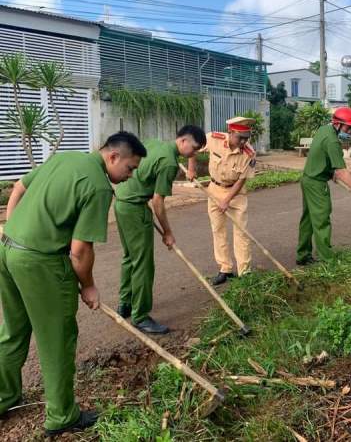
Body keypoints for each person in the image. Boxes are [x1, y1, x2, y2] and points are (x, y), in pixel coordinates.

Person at [0, 132, 146, 437]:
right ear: (113, 157)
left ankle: (5, 397)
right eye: (130, 168)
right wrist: (89, 286)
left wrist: (12, 228)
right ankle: (62, 415)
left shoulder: (67, 157)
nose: (130, 175)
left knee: (13, 331)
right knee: (57, 339)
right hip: (40, 262)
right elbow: (80, 251)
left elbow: (19, 186)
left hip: (7, 250)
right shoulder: (97, 186)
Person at [114, 125, 206, 334]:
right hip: (135, 210)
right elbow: (158, 203)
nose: (194, 153)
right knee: (143, 264)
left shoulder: (155, 143)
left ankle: (125, 303)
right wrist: (168, 232)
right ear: (183, 141)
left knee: (130, 258)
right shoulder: (169, 163)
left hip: (121, 203)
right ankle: (140, 316)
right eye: (194, 148)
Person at [296, 106, 351, 265]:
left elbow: (320, 154)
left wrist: (330, 172)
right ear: (337, 124)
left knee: (308, 219)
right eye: (349, 128)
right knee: (321, 221)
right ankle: (328, 260)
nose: (350, 131)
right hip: (316, 184)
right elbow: (342, 172)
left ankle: (303, 255)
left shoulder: (324, 130)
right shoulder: (333, 141)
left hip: (307, 179)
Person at [189, 117, 256, 286]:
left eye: (246, 138)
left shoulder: (249, 153)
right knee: (218, 230)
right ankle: (225, 268)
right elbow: (192, 147)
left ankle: (245, 272)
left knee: (242, 232)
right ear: (230, 133)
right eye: (240, 137)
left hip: (236, 194)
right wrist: (191, 168)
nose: (243, 141)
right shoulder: (213, 139)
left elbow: (241, 180)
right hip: (214, 189)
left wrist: (227, 200)